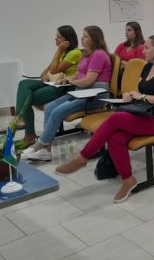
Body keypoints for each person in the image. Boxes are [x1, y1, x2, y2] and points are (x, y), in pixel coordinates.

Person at [55, 35, 154, 202]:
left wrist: (141, 96)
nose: (143, 50)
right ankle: (128, 180)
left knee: (115, 119)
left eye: (147, 48)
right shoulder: (148, 67)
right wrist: (131, 95)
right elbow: (142, 89)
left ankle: (83, 157)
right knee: (115, 138)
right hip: (144, 111)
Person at [22, 26, 111, 161]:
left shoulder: (99, 55)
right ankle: (46, 150)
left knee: (57, 111)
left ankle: (38, 145)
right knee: (50, 107)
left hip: (95, 95)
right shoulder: (87, 54)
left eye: (85, 36)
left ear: (94, 39)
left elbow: (88, 81)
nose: (82, 38)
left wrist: (74, 82)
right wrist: (70, 78)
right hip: (82, 92)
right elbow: (79, 73)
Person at [13, 26, 82, 145]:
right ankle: (20, 118)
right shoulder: (65, 52)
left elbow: (54, 70)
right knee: (24, 83)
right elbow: (51, 66)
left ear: (67, 40)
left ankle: (28, 133)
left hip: (65, 87)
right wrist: (44, 73)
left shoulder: (74, 53)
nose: (55, 39)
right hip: (55, 83)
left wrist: (59, 50)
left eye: (59, 37)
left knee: (27, 98)